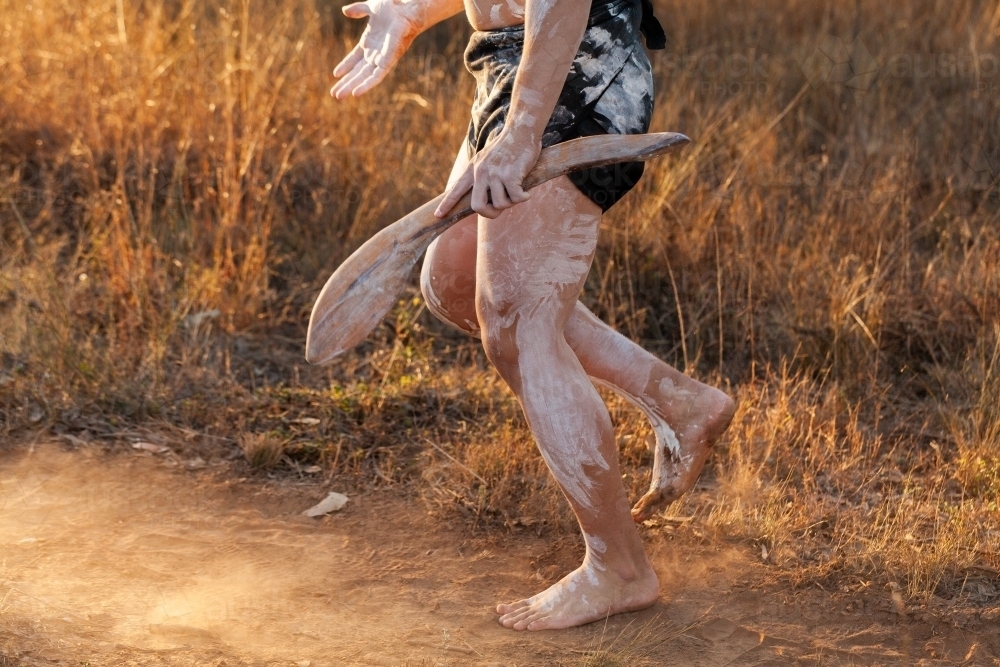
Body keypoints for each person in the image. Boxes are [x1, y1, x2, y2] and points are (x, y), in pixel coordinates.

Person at [331, 0, 736, 631]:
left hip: (574, 69)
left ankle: (619, 569)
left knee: (521, 318)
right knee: (454, 281)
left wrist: (522, 133)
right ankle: (683, 405)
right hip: (507, 68)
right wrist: (407, 11)